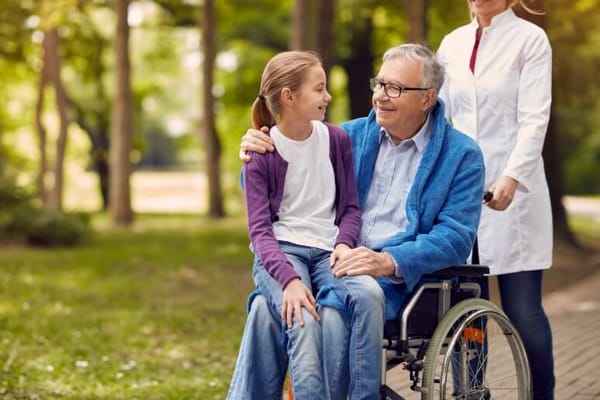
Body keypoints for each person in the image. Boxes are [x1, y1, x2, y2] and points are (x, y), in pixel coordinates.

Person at [228, 43, 486, 400]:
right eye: (379, 84)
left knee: (333, 315)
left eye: (394, 88)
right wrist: (257, 147)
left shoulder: (462, 155)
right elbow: (274, 189)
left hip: (398, 281)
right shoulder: (346, 136)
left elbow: (455, 236)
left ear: (427, 99)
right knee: (263, 308)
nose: (380, 96)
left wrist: (387, 261)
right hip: (327, 257)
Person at [436, 1, 555, 399]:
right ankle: (470, 395)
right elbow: (440, 117)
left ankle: (543, 395)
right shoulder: (451, 44)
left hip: (512, 198)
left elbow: (535, 117)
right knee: (465, 313)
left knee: (523, 313)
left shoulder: (530, 39)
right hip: (460, 197)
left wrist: (512, 176)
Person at [230, 50, 362, 400]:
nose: (328, 97)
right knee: (302, 319)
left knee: (331, 312)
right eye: (319, 89)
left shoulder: (336, 140)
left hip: (328, 254)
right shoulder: (261, 154)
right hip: (282, 254)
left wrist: (344, 245)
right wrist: (288, 281)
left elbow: (349, 207)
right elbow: (260, 233)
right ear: (289, 96)